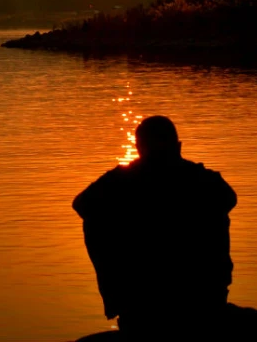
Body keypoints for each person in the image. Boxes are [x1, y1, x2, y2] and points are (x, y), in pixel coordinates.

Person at [73, 116, 237, 340]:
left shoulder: (122, 180)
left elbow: (82, 204)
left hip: (152, 294)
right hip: (199, 293)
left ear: (139, 149)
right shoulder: (202, 179)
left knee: (95, 220)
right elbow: (229, 199)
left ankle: (123, 299)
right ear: (178, 146)